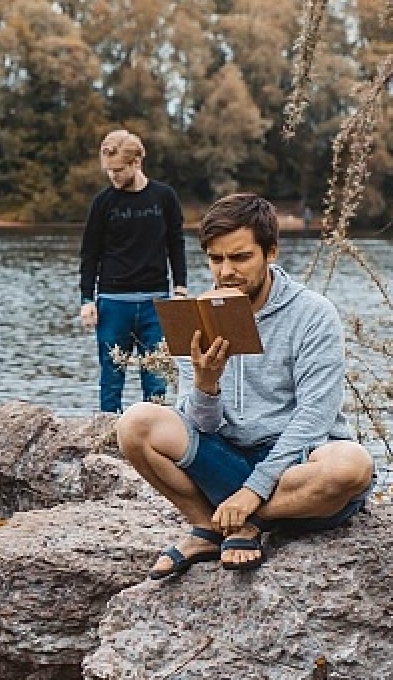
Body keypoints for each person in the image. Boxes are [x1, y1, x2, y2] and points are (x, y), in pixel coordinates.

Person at [116, 193, 375, 577]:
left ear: (270, 252)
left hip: (295, 468)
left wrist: (251, 493)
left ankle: (245, 521)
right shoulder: (198, 315)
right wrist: (205, 386)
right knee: (135, 423)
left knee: (352, 466)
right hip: (227, 459)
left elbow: (314, 420)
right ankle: (207, 526)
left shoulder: (313, 315)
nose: (226, 271)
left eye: (240, 258)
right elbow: (200, 428)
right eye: (216, 259)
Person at [79, 130, 189, 412]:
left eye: (118, 170)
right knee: (111, 376)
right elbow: (90, 253)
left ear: (137, 162)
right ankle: (105, 437)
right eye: (108, 171)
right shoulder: (103, 203)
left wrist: (180, 288)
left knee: (157, 377)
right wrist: (86, 300)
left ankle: (156, 438)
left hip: (157, 300)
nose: (112, 176)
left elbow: (176, 244)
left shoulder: (164, 197)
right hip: (113, 301)